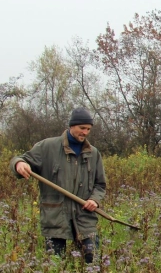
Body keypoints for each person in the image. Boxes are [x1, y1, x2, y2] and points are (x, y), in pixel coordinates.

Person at [9, 107, 106, 263]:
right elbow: (20, 159)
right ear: (71, 126)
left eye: (88, 129)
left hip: (84, 217)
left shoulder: (93, 153)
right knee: (54, 264)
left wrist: (95, 200)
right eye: (82, 128)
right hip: (55, 217)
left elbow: (100, 185)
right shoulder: (47, 147)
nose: (85, 132)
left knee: (92, 259)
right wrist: (19, 164)